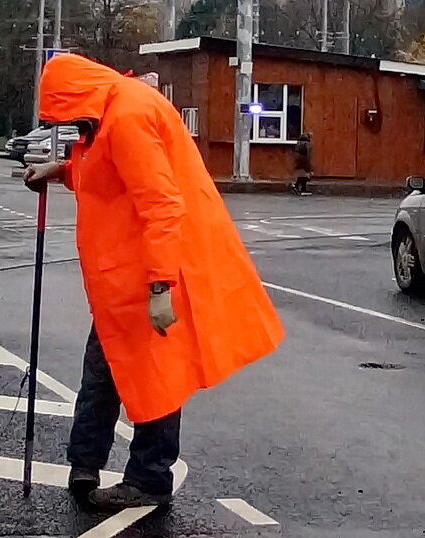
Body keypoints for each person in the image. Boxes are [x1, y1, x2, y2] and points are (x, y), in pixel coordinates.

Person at [24, 53, 285, 512]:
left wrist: (161, 287)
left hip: (148, 275)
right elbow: (110, 176)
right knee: (107, 368)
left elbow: (161, 204)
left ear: (79, 98)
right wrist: (62, 170)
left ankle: (148, 477)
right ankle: (85, 465)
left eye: (67, 115)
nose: (68, 126)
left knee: (155, 375)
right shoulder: (111, 112)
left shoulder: (127, 117)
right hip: (125, 281)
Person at [293, 132, 313, 196]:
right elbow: (308, 154)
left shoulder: (298, 143)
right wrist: (309, 164)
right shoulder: (307, 143)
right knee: (307, 174)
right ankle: (298, 186)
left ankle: (301, 188)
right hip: (303, 159)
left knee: (302, 174)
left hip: (297, 159)